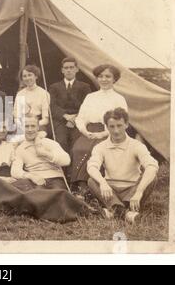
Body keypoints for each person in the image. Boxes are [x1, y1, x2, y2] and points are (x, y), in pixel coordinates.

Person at [87, 108, 159, 224]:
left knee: (152, 178)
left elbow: (152, 165)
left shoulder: (136, 145)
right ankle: (126, 213)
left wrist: (139, 191)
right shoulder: (100, 147)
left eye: (119, 125)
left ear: (126, 124)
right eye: (112, 126)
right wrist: (103, 183)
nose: (116, 131)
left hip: (132, 190)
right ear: (106, 127)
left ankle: (115, 210)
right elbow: (92, 166)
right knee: (92, 180)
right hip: (110, 191)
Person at [71, 64, 128, 197]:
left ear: (114, 79)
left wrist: (104, 133)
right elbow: (80, 118)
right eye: (100, 76)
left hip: (110, 133)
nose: (104, 79)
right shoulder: (91, 97)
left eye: (108, 76)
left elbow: (121, 123)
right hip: (89, 131)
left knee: (95, 151)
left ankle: (92, 186)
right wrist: (84, 131)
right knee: (78, 149)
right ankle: (81, 186)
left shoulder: (119, 99)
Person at [11, 115, 70, 190]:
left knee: (58, 194)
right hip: (35, 179)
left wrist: (44, 153)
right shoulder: (20, 148)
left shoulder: (49, 142)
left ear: (38, 127)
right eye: (26, 126)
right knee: (37, 194)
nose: (30, 129)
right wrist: (31, 176)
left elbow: (66, 160)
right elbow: (15, 171)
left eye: (33, 126)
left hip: (55, 178)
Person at [49, 57, 91, 154]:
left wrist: (75, 117)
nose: (69, 70)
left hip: (78, 119)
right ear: (62, 70)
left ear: (77, 69)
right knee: (61, 142)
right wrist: (66, 116)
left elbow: (87, 106)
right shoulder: (54, 87)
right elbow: (52, 106)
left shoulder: (85, 87)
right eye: (66, 68)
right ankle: (62, 168)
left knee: (76, 144)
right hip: (60, 120)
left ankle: (74, 169)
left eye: (71, 67)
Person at [14, 65, 50, 131]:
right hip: (22, 125)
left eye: (30, 75)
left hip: (39, 125)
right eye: (24, 76)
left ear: (36, 76)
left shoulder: (44, 93)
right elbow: (16, 117)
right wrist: (22, 125)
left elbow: (46, 120)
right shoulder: (20, 94)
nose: (27, 78)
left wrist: (32, 125)